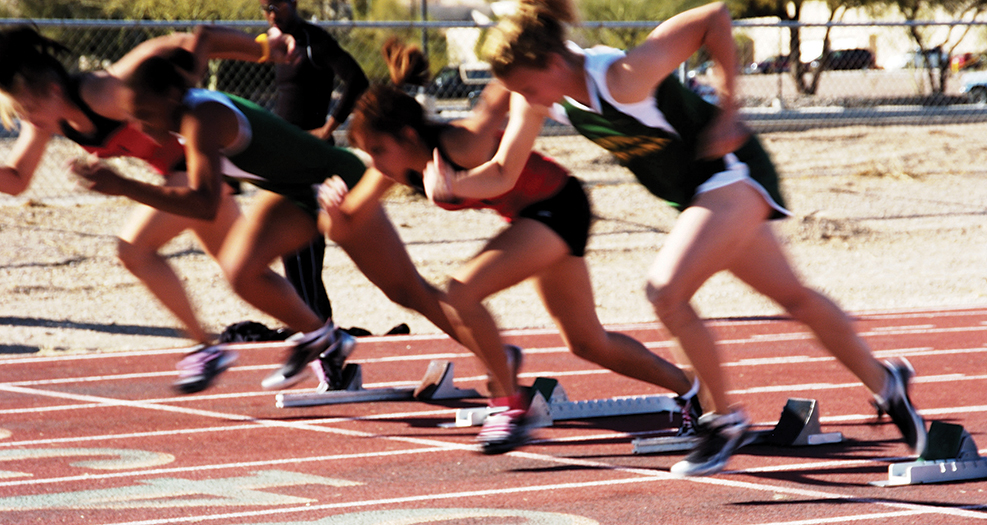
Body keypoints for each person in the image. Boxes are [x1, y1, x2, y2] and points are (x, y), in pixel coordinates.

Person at [445, 0, 928, 474]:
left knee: (665, 291)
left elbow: (713, 16)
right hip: (698, 195)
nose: (525, 99)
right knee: (793, 297)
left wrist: (728, 109)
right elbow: (504, 172)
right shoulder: (543, 98)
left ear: (552, 62)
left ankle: (723, 421)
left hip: (730, 175)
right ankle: (886, 383)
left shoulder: (622, 77)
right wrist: (454, 185)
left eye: (528, 87)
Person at [317, 38, 698, 455]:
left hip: (558, 206)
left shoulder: (461, 143)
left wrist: (524, 42)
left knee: (461, 289)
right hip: (534, 217)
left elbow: (498, 95)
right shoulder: (397, 167)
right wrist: (333, 210)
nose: (373, 162)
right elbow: (348, 220)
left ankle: (508, 403)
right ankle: (692, 391)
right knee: (587, 342)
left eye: (376, 151)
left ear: (407, 135)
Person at [0, 25, 298, 393]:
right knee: (245, 274)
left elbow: (187, 42)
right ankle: (322, 342)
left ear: (53, 89)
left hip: (199, 171)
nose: (29, 121)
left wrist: (264, 50)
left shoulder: (105, 91)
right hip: (190, 183)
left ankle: (207, 348)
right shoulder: (50, 118)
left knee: (134, 249)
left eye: (29, 109)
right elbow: (16, 179)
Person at [259, 0, 370, 320]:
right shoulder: (274, 42)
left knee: (304, 236)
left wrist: (327, 128)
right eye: (264, 6)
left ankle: (317, 319)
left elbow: (356, 79)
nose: (270, 12)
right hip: (283, 150)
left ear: (292, 3)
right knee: (285, 239)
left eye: (276, 5)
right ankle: (305, 316)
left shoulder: (313, 41)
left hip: (308, 151)